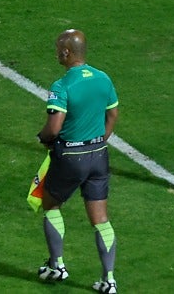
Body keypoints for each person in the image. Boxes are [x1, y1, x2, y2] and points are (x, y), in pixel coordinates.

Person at [36, 29, 120, 294]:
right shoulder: (103, 78)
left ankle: (57, 266)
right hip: (99, 155)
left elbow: (54, 127)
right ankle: (108, 280)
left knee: (50, 204)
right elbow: (113, 114)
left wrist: (43, 138)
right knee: (100, 219)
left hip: (71, 157)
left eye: (58, 48)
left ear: (66, 52)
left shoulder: (62, 86)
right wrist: (100, 140)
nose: (56, 53)